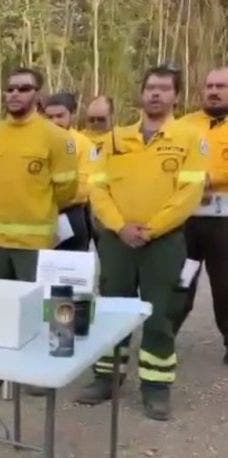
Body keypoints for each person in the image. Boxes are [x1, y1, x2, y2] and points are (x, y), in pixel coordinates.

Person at [76, 66, 207, 421]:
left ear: (176, 96)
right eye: (150, 87)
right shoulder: (116, 138)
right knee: (110, 309)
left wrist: (151, 228)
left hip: (163, 242)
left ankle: (156, 385)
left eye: (164, 89)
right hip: (117, 241)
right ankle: (106, 377)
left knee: (160, 312)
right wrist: (120, 227)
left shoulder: (189, 138)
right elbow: (98, 189)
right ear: (141, 93)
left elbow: (189, 192)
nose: (156, 94)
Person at [0, 68, 78, 283]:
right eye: (10, 89)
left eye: (23, 88)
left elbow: (66, 191)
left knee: (34, 310)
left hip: (35, 244)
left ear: (39, 94)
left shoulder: (57, 138)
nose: (15, 93)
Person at [170, 67, 228, 366]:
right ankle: (164, 336)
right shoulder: (185, 124)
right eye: (210, 85)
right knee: (182, 277)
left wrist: (212, 177)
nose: (214, 91)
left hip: (223, 224)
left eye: (221, 86)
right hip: (188, 220)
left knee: (224, 284)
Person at [43, 92, 98, 251]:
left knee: (71, 268)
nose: (55, 121)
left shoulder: (84, 145)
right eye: (49, 117)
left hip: (70, 214)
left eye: (60, 116)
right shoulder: (35, 143)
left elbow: (85, 186)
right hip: (38, 216)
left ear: (72, 115)